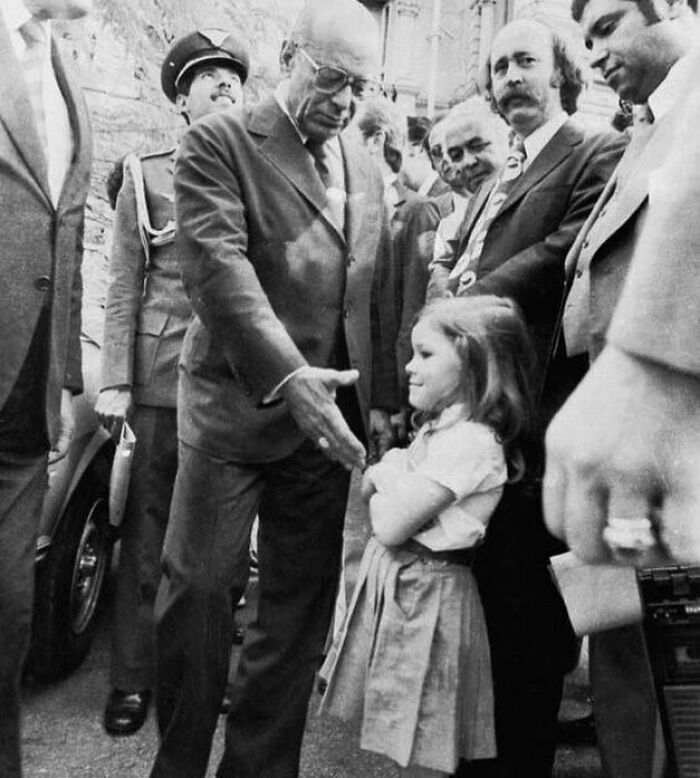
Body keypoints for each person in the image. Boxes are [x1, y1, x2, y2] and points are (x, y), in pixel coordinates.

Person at [150, 2, 397, 776]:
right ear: (290, 55)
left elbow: (367, 287)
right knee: (199, 596)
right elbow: (217, 271)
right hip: (234, 410)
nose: (346, 103)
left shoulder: (362, 159)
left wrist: (380, 397)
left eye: (360, 87)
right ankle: (181, 761)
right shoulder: (220, 141)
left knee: (294, 615)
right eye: (331, 80)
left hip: (323, 429)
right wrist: (291, 378)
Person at [434, 19, 626, 778]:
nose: (510, 76)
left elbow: (561, 255)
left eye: (525, 61)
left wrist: (465, 302)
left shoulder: (593, 147)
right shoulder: (498, 171)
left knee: (529, 623)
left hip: (544, 422)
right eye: (498, 65)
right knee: (484, 608)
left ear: (560, 73)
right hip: (486, 416)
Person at [543, 0, 699, 775]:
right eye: (585, 37)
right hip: (625, 446)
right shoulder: (649, 124)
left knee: (679, 675)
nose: (596, 51)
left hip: (675, 451)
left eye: (609, 25)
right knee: (629, 651)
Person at [95, 29, 250, 737]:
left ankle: (202, 670)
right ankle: (132, 678)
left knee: (219, 543)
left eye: (231, 75)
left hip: (233, 381)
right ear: (181, 99)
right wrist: (115, 382)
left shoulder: (264, 169)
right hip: (160, 381)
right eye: (207, 76)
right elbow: (124, 284)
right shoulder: (146, 172)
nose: (224, 83)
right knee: (149, 533)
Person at [319, 295, 538, 778]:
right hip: (412, 595)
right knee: (404, 731)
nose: (409, 367)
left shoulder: (473, 443)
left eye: (426, 354)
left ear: (474, 362)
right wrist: (388, 479)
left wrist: (385, 474)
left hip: (430, 605)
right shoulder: (443, 430)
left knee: (425, 739)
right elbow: (380, 499)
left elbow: (390, 523)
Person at [0, 0, 92, 776]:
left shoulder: (65, 71)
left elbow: (68, 229)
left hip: (24, 406)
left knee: (8, 616)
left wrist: (65, 375)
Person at [353, 96, 441, 436]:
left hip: (386, 402)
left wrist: (393, 401)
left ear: (375, 140)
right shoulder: (346, 206)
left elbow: (412, 313)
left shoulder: (417, 211)